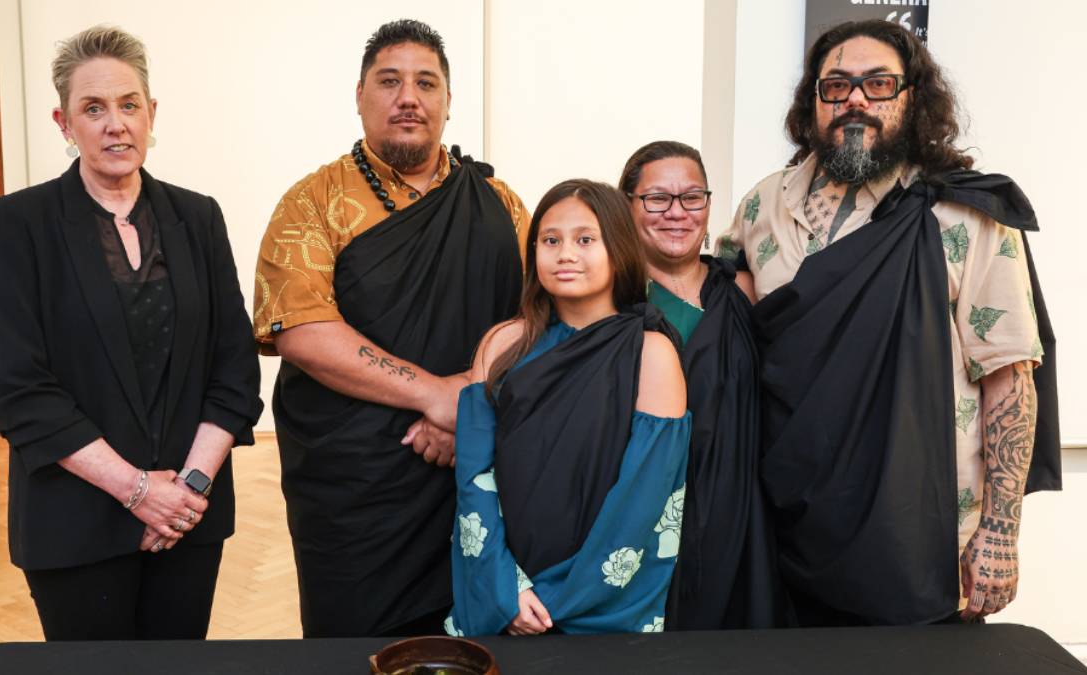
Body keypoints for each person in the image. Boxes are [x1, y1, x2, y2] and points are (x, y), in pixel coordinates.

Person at [716, 19, 1060, 626]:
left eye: (878, 84)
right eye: (836, 85)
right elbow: (724, 332)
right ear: (813, 100)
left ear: (912, 97)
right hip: (784, 527)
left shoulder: (964, 214)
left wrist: (1001, 533)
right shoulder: (762, 206)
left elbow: (1009, 375)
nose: (855, 99)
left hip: (918, 536)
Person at [0, 25, 262, 640]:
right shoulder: (22, 223)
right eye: (93, 108)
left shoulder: (198, 216)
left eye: (129, 105)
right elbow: (15, 385)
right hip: (74, 520)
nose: (116, 125)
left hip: (187, 519)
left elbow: (235, 367)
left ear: (151, 112)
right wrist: (137, 491)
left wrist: (186, 491)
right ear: (63, 122)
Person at [252, 19, 529, 637]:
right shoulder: (312, 202)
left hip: (474, 465)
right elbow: (301, 329)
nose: (409, 98)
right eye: (389, 81)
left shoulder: (500, 204)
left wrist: (469, 404)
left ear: (449, 102)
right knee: (355, 644)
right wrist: (437, 395)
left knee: (476, 639)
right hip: (354, 486)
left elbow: (537, 315)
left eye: (426, 83)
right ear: (359, 96)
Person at [444, 179, 689, 636]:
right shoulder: (502, 344)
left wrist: (561, 600)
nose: (566, 254)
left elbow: (646, 496)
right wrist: (506, 590)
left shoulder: (652, 353)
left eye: (585, 240)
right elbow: (474, 476)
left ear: (618, 249)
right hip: (504, 591)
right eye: (551, 240)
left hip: (602, 600)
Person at [619, 141, 786, 629]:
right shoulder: (613, 301)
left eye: (692, 197)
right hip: (647, 515)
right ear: (626, 206)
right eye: (657, 199)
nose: (677, 213)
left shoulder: (742, 291)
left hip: (743, 517)